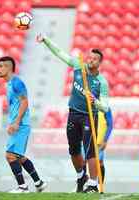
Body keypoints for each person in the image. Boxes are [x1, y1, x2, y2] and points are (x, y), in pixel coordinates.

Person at [36, 34, 110, 193]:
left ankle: (92, 184)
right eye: (89, 58)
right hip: (73, 114)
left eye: (94, 59)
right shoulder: (78, 66)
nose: (90, 60)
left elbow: (105, 107)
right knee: (74, 150)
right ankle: (81, 176)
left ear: (99, 63)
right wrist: (46, 40)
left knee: (90, 150)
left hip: (89, 116)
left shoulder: (102, 82)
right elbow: (60, 53)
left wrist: (95, 101)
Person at [0, 56, 47, 193]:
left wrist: (17, 122)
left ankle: (23, 187)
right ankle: (39, 182)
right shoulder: (9, 84)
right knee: (19, 156)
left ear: (8, 67)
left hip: (22, 124)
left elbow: (25, 102)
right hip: (19, 124)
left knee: (10, 155)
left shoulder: (16, 83)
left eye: (1, 66)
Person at [82, 109, 113, 193]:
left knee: (99, 162)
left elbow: (110, 124)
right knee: (83, 161)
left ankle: (99, 185)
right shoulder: (86, 106)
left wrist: (105, 140)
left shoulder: (105, 108)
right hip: (87, 139)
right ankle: (82, 184)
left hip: (99, 141)